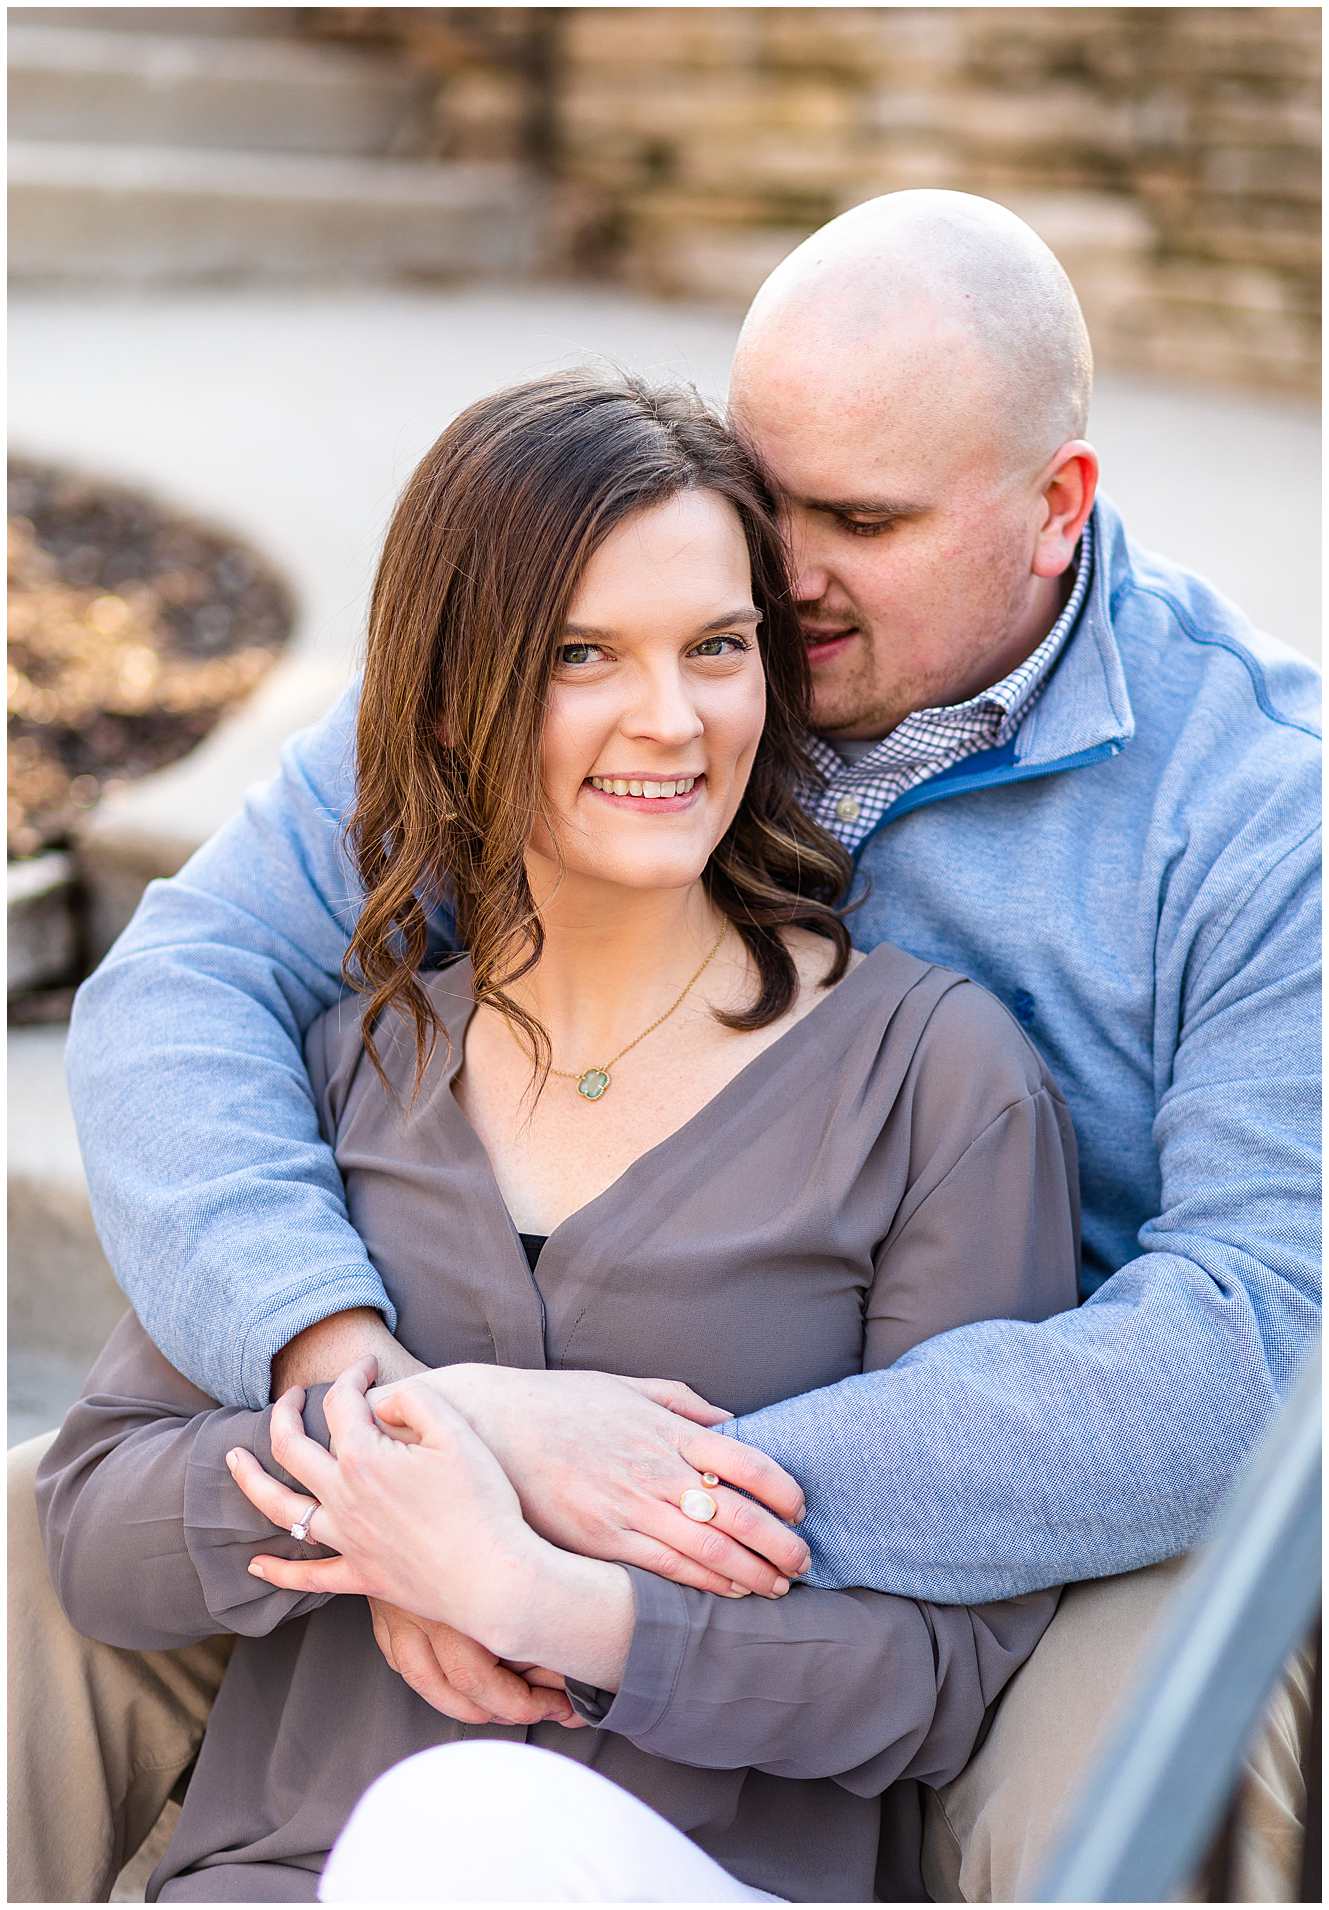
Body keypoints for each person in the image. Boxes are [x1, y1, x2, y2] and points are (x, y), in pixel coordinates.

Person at [8, 189, 1318, 1901]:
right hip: (477, 1423)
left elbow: (1259, 1338)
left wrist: (629, 1505)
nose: (778, 575)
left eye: (859, 520)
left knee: (1156, 1732)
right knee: (34, 1543)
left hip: (1022, 1477)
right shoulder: (621, 651)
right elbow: (191, 978)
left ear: (1055, 509)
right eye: (763, 492)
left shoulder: (1257, 809)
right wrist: (392, 1407)